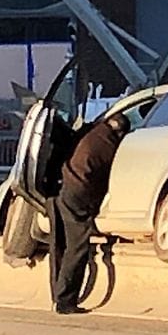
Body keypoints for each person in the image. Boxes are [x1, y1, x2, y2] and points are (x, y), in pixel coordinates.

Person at [48, 113, 131, 315]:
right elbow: (105, 182)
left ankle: (56, 294)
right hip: (78, 195)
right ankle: (66, 302)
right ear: (120, 132)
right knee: (77, 248)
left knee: (59, 244)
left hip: (59, 190)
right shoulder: (110, 147)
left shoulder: (90, 132)